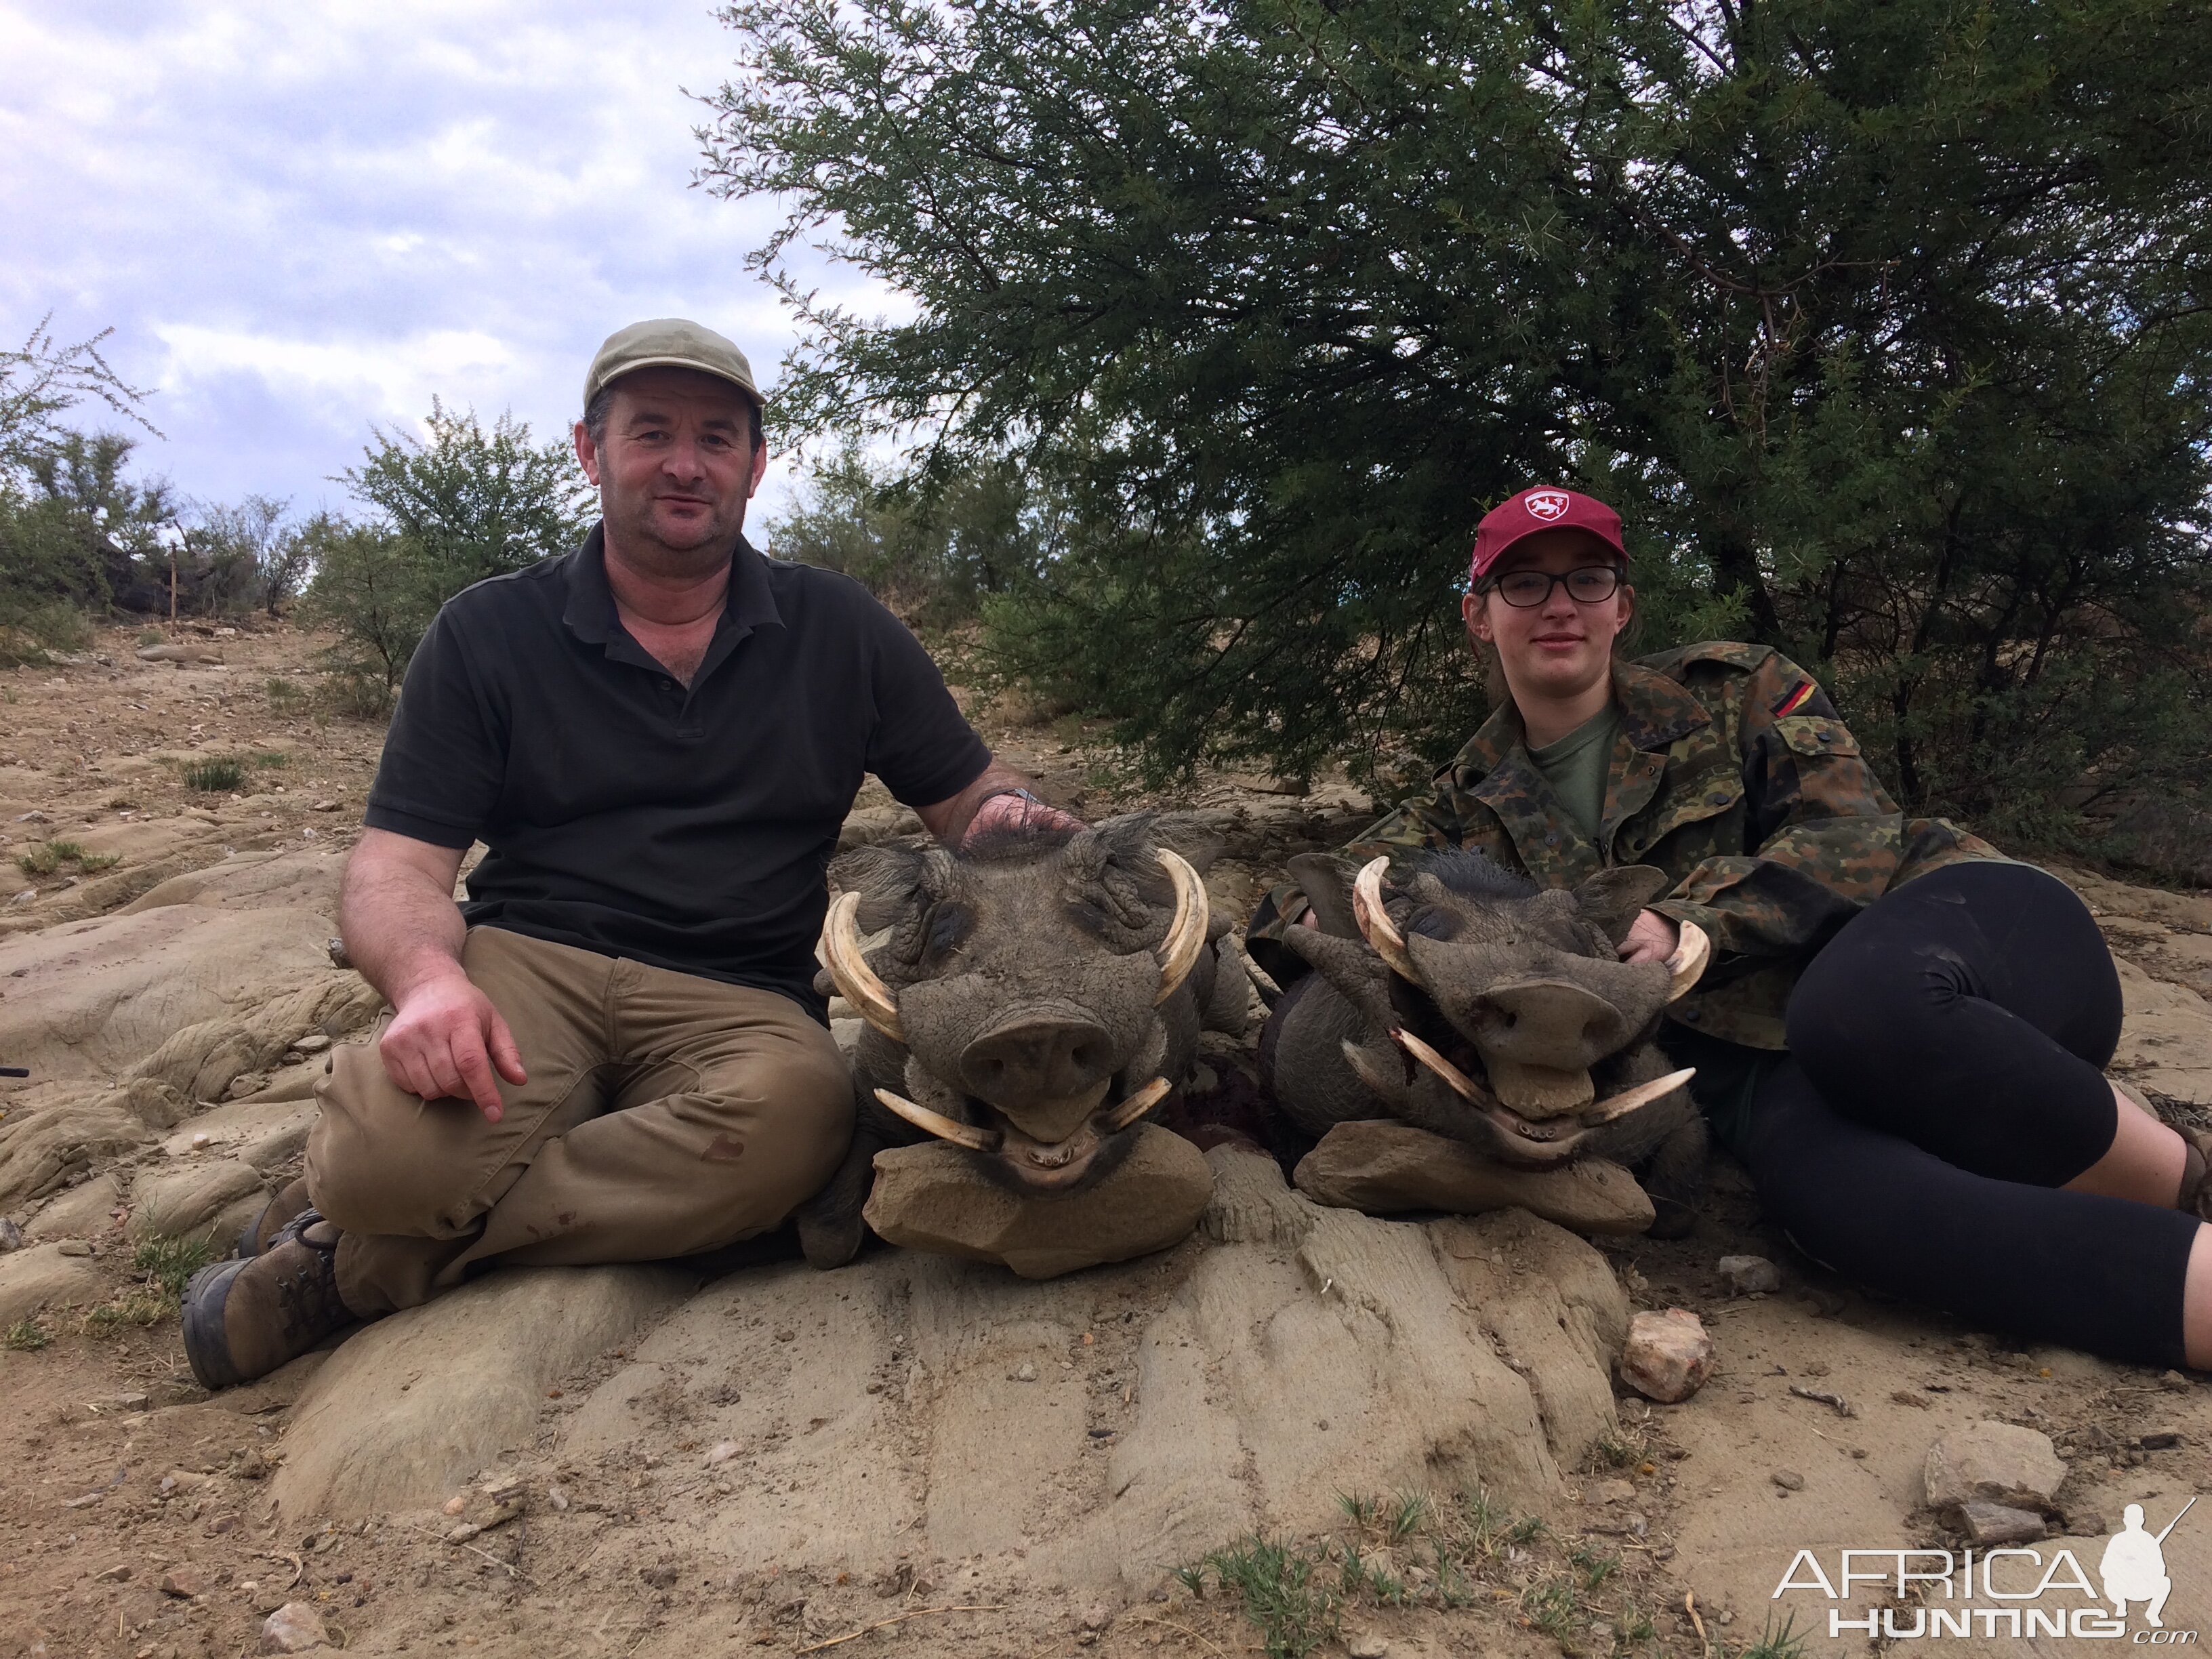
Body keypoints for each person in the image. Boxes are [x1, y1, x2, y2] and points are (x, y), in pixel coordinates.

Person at [182, 319, 1075, 1389]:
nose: (686, 464)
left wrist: (1014, 818)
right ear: (588, 449)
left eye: (717, 437)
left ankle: (349, 1264)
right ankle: (379, 1201)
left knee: (797, 1123)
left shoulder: (841, 627)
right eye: (652, 433)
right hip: (527, 964)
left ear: (757, 464)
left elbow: (966, 798)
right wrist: (426, 984)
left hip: (738, 993)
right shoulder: (484, 633)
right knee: (383, 1165)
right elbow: (396, 869)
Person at [1248, 484, 2212, 1370]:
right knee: (1834, 1206)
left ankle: (2180, 1173)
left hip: (1973, 944)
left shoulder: (1743, 685)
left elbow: (1852, 835)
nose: (1558, 606)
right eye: (1524, 583)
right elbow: (1318, 900)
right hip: (1762, 1061)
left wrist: (1689, 921)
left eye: (1588, 579)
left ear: (1622, 606)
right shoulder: (1457, 806)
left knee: (1863, 1007)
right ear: (1478, 614)